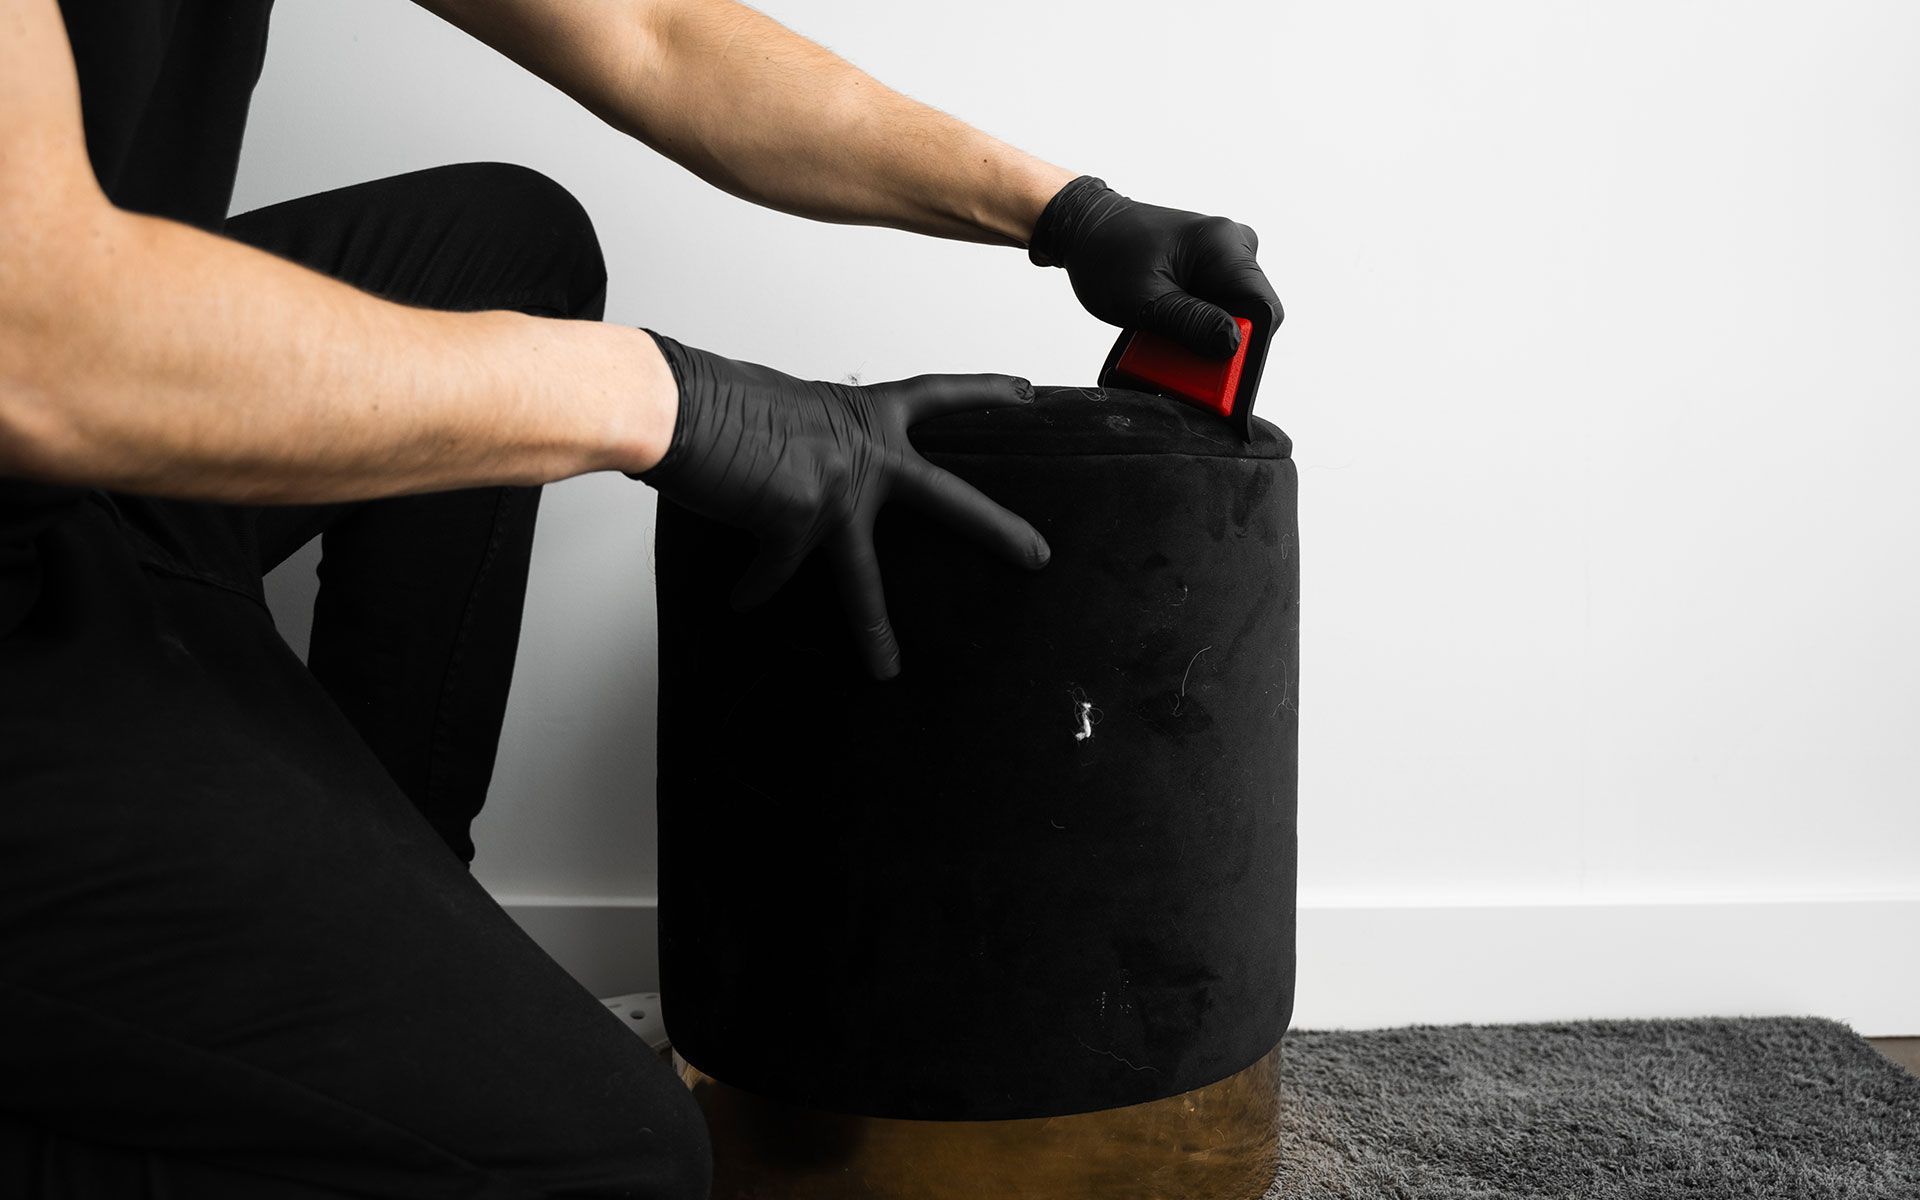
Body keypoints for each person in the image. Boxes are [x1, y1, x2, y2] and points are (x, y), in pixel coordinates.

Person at [0, 0, 1283, 1194]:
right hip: (47, 462)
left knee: (508, 242)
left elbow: (652, 35)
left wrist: (1069, 212)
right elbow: (41, 347)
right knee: (613, 1160)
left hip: (92, 485)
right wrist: (673, 402)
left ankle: (381, 919)